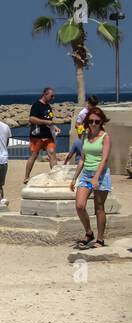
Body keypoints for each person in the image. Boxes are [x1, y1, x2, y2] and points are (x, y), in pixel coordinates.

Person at [70, 106, 111, 249]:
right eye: (91, 121)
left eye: (97, 121)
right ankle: (89, 233)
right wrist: (75, 177)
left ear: (101, 122)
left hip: (101, 176)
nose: (93, 124)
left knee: (99, 207)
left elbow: (104, 160)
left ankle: (100, 239)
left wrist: (96, 178)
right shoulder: (86, 136)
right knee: (80, 206)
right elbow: (82, 158)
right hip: (86, 176)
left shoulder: (105, 137)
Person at [23, 86, 58, 182]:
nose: (53, 98)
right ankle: (26, 176)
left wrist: (54, 127)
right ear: (45, 94)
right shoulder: (36, 105)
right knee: (34, 155)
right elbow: (32, 119)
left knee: (52, 154)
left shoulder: (48, 106)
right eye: (51, 96)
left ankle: (55, 175)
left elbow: (49, 120)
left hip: (48, 135)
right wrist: (46, 122)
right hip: (37, 135)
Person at [64, 95, 100, 165]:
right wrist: (84, 131)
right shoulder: (83, 113)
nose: (93, 107)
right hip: (84, 137)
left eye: (94, 105)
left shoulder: (95, 111)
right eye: (92, 105)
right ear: (88, 103)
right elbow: (77, 125)